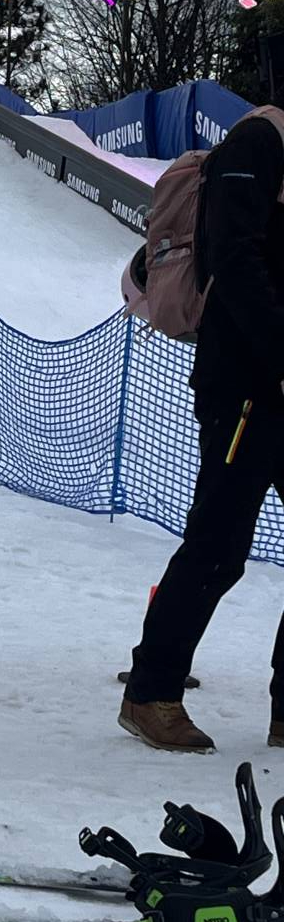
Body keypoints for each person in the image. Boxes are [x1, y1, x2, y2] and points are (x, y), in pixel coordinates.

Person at [122, 106, 284, 753]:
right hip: (246, 386)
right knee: (218, 546)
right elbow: (233, 258)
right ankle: (150, 692)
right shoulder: (260, 139)